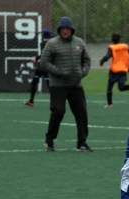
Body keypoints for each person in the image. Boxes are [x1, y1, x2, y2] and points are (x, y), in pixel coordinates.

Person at [40, 17, 92, 152]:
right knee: (58, 111)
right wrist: (58, 72)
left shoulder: (79, 42)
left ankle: (82, 142)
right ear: (59, 30)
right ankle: (49, 140)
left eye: (67, 29)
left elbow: (87, 59)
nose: (65, 31)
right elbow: (44, 62)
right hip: (58, 84)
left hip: (76, 85)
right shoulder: (52, 43)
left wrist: (83, 72)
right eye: (62, 29)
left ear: (72, 30)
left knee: (81, 112)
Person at [99, 33, 129, 108]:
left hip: (114, 70)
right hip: (123, 70)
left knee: (109, 87)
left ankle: (110, 104)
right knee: (121, 87)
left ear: (112, 40)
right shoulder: (125, 46)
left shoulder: (112, 47)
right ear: (120, 39)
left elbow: (107, 56)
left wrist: (101, 61)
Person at [24, 29, 52, 107]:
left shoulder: (43, 43)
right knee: (49, 85)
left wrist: (36, 57)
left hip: (43, 66)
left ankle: (31, 101)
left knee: (35, 82)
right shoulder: (52, 44)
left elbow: (44, 54)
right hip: (46, 67)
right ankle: (55, 102)